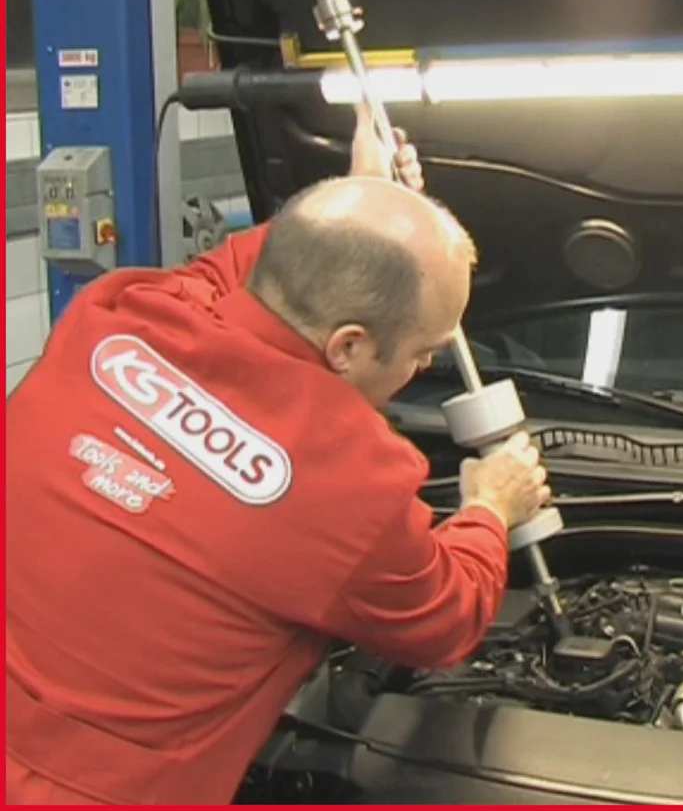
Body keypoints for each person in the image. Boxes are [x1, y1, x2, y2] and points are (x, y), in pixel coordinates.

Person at [5, 106, 550, 805]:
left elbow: (257, 272)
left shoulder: (120, 316)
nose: (420, 368)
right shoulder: (347, 484)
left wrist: (360, 192)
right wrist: (490, 508)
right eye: (422, 353)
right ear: (348, 347)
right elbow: (445, 617)